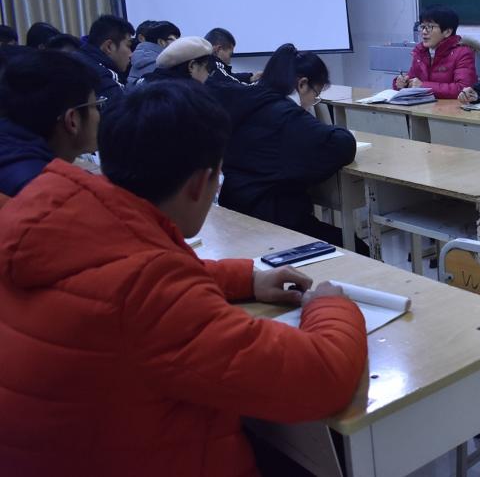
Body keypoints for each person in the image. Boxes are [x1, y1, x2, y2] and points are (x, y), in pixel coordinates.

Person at [0, 80, 367, 474]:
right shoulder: (150, 291)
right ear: (199, 183)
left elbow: (109, 270)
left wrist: (245, 279)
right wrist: (330, 307)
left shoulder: (43, 214)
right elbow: (323, 380)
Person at [206, 43, 367, 254]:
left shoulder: (247, 98)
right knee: (358, 249)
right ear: (302, 84)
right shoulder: (286, 115)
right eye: (316, 94)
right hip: (272, 224)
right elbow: (342, 146)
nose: (313, 102)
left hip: (235, 213)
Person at [0, 50, 102, 196]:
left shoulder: (11, 153)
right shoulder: (53, 194)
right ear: (72, 120)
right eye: (95, 106)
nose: (99, 115)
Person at [393, 4, 480, 99]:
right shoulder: (420, 51)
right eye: (422, 27)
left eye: (429, 27)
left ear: (447, 32)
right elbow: (412, 80)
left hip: (451, 107)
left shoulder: (462, 52)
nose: (424, 32)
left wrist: (423, 86)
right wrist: (402, 83)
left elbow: (463, 89)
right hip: (424, 105)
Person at [75, 14, 134, 103]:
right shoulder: (102, 79)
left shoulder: (78, 60)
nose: (131, 54)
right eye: (128, 46)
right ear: (109, 47)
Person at [141, 35, 214, 85]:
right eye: (208, 68)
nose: (208, 74)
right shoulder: (187, 97)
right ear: (192, 66)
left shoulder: (144, 84)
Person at [128, 20, 181, 84]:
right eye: (173, 40)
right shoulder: (163, 65)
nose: (178, 44)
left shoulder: (136, 60)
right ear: (161, 42)